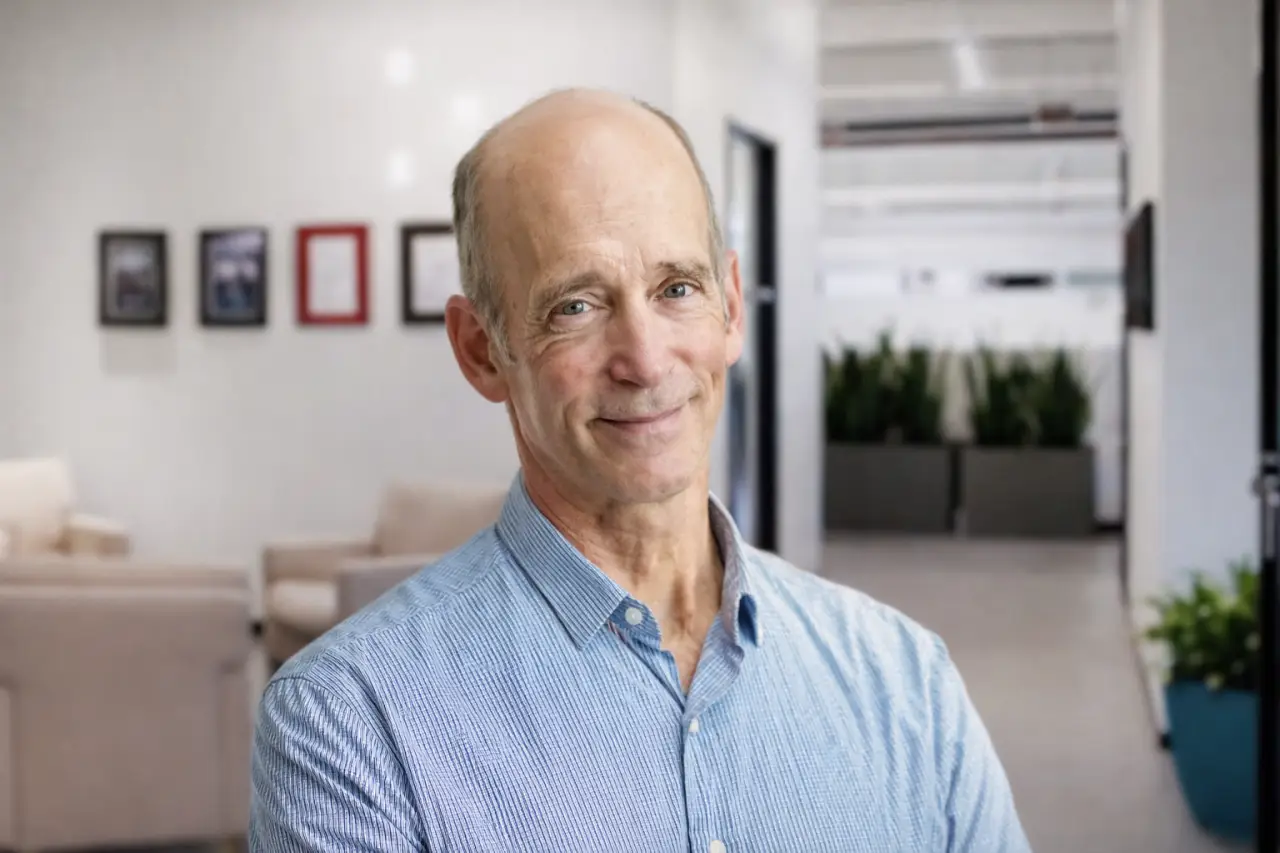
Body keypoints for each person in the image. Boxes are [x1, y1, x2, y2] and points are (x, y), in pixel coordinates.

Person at [249, 88, 1031, 853]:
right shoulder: (350, 726)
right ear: (481, 350)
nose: (647, 359)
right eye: (576, 307)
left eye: (677, 288)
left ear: (729, 305)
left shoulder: (905, 682)